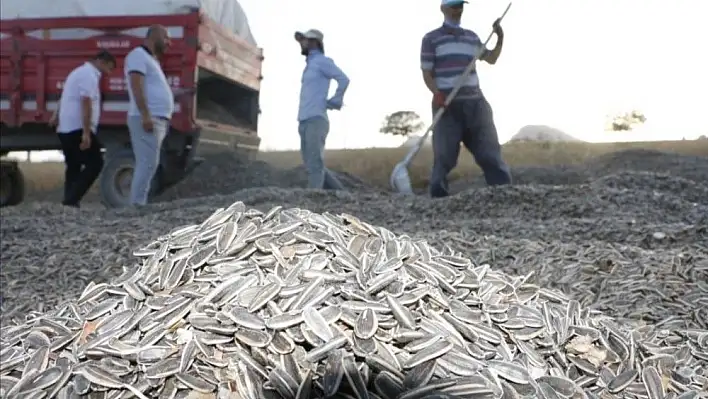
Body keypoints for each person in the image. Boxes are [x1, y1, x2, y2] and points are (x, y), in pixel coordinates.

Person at [420, 0, 512, 198]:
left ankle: (505, 195)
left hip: (475, 103)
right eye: (453, 6)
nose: (457, 10)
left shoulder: (472, 38)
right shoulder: (431, 39)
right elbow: (427, 73)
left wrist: (500, 37)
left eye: (460, 6)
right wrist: (436, 92)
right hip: (447, 104)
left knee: (490, 154)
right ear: (443, 8)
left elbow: (491, 58)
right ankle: (438, 199)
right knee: (444, 156)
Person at [49, 50, 116, 207]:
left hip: (65, 127)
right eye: (109, 68)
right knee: (96, 163)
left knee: (73, 165)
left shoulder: (78, 72)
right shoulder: (89, 75)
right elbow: (86, 103)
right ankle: (71, 200)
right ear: (101, 62)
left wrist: (56, 115)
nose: (109, 72)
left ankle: (70, 203)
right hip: (76, 128)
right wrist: (87, 133)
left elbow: (65, 96)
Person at [124, 24, 174, 206]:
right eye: (166, 38)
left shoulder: (152, 60)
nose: (170, 43)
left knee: (149, 164)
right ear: (155, 36)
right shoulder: (138, 55)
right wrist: (145, 115)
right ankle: (136, 206)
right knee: (147, 163)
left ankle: (138, 203)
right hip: (147, 118)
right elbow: (136, 85)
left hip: (157, 119)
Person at [295, 29, 350, 190]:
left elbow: (343, 79)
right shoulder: (310, 65)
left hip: (316, 119)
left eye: (304, 41)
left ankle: (312, 198)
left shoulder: (322, 61)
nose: (302, 44)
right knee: (312, 163)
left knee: (314, 164)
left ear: (314, 43)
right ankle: (342, 194)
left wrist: (337, 99)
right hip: (304, 118)